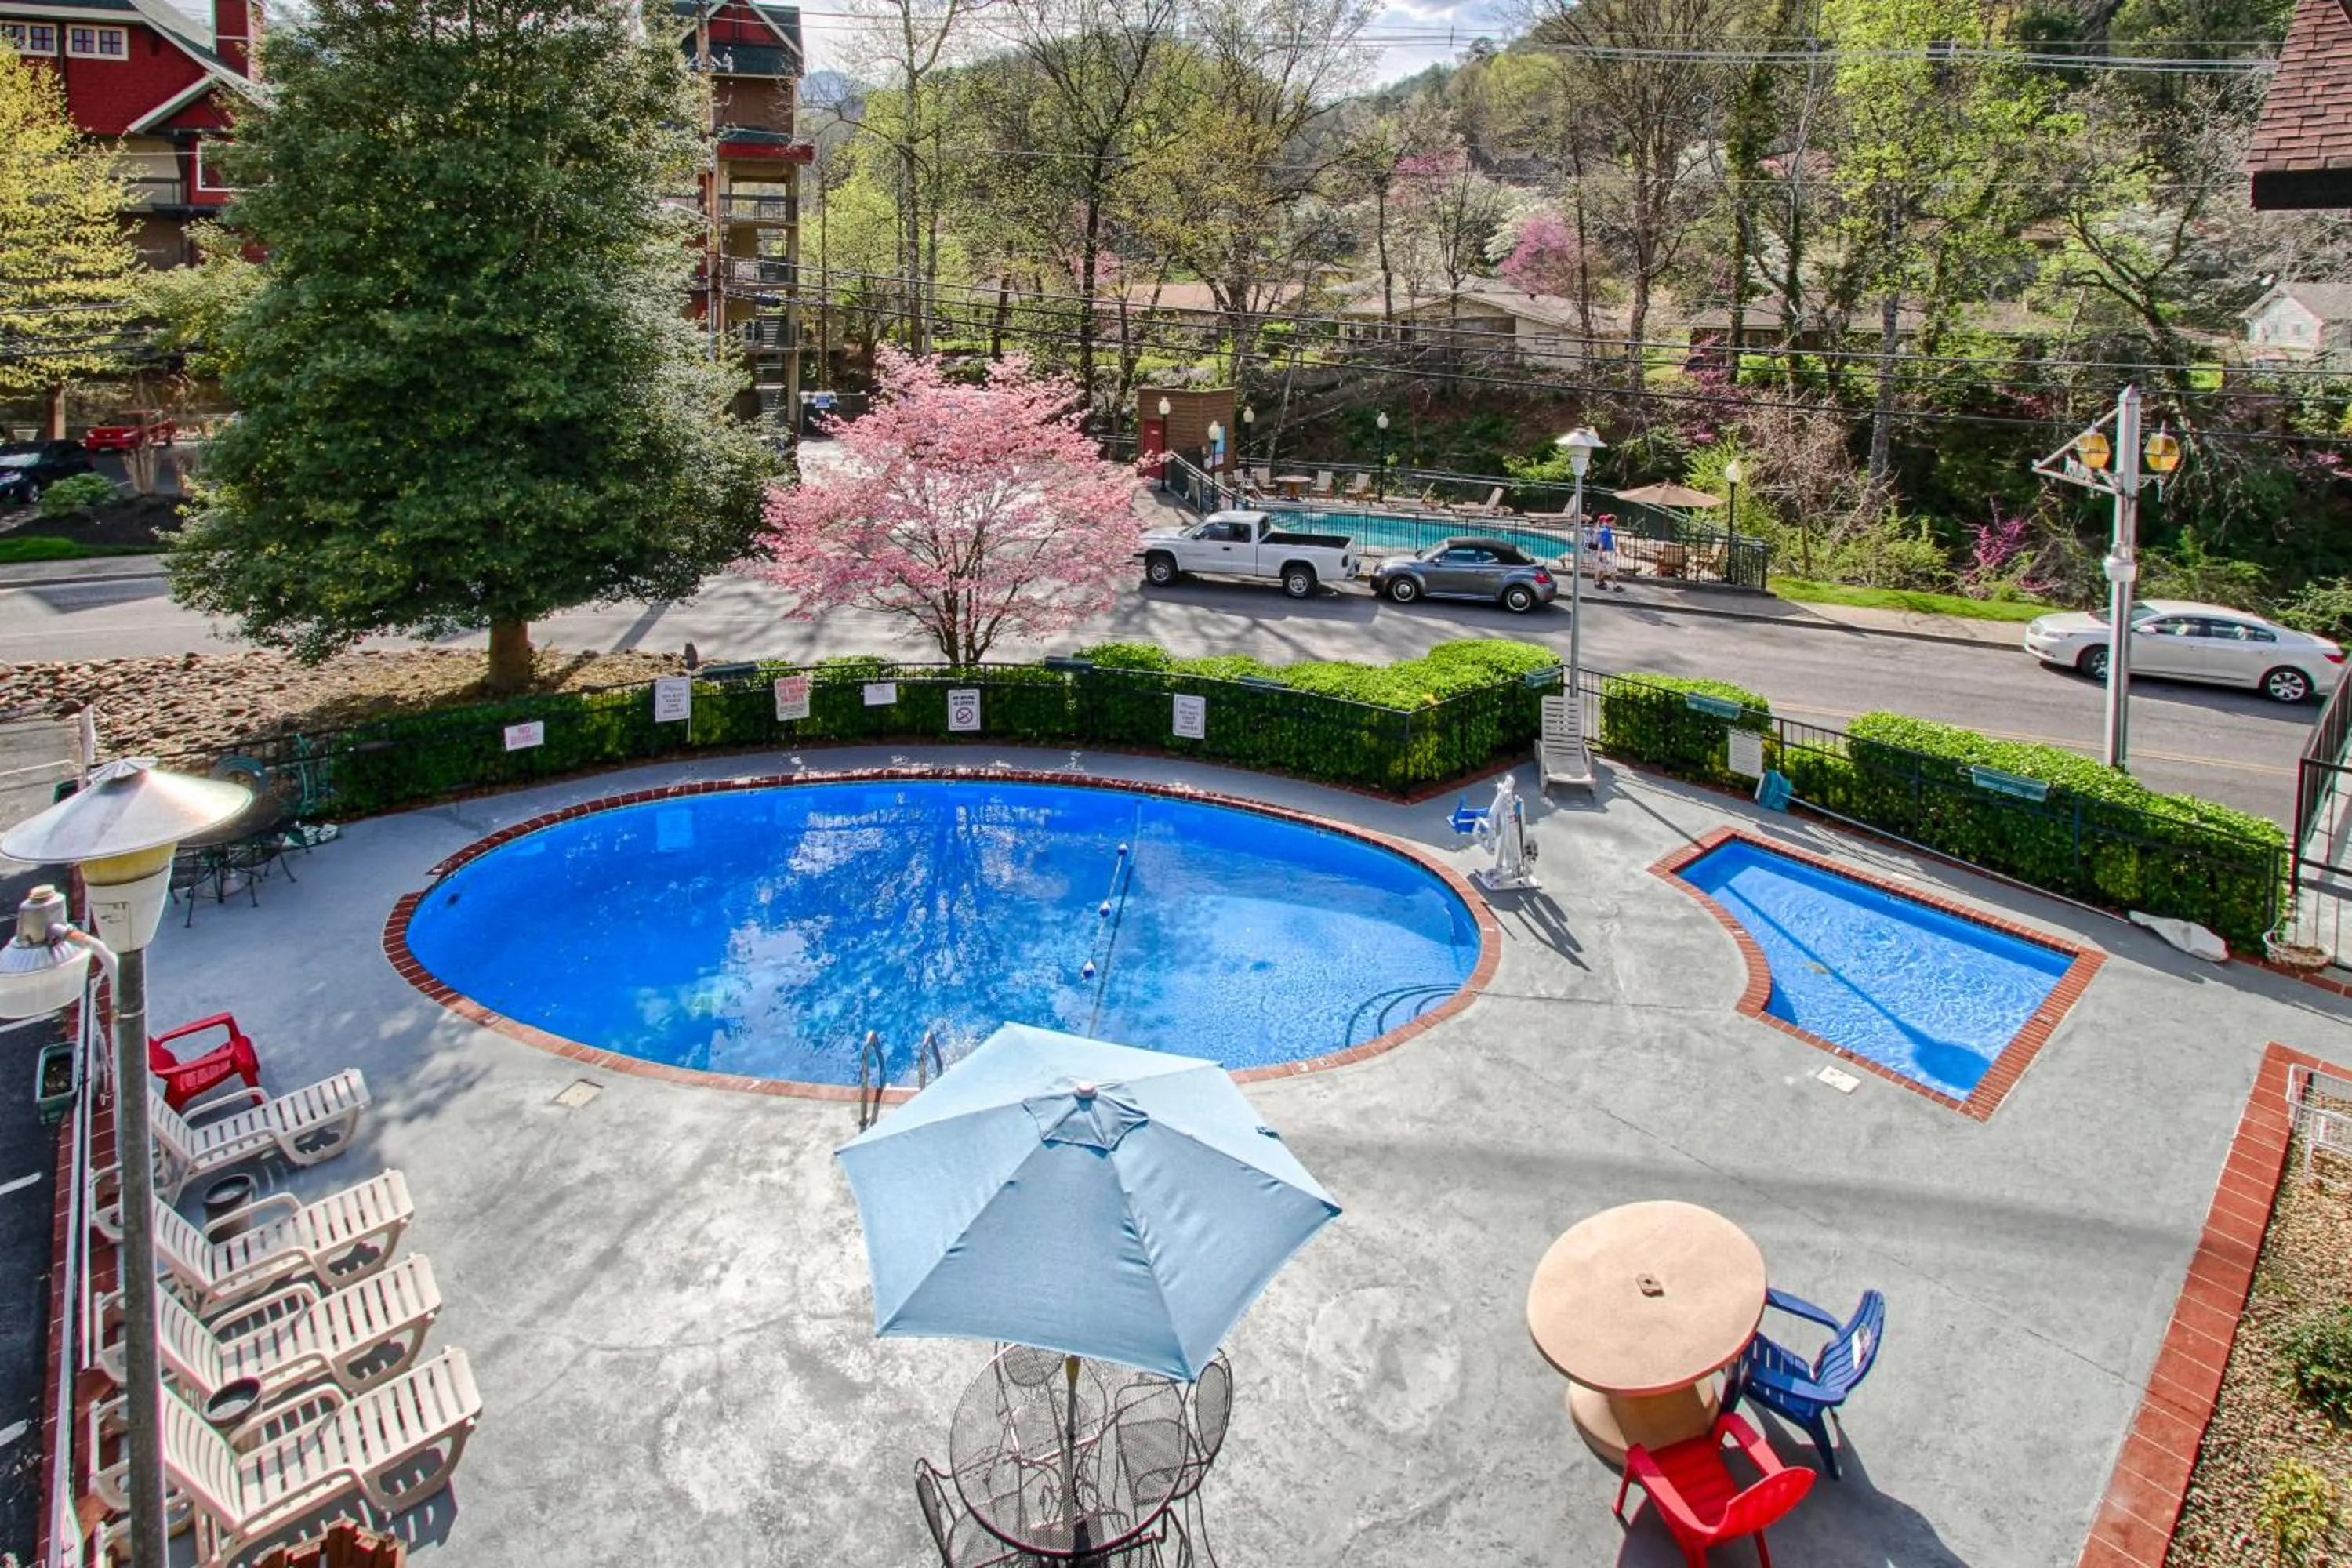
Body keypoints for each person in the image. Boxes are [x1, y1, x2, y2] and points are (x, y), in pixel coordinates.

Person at [1593, 514, 1621, 591]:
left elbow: (1606, 543)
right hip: (1606, 553)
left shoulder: (1606, 530)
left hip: (1607, 552)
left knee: (1601, 569)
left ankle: (1597, 583)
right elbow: (1602, 543)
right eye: (1614, 522)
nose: (1615, 523)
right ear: (1610, 522)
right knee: (1611, 569)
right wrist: (1600, 554)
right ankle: (1616, 586)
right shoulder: (1606, 531)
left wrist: (1613, 550)